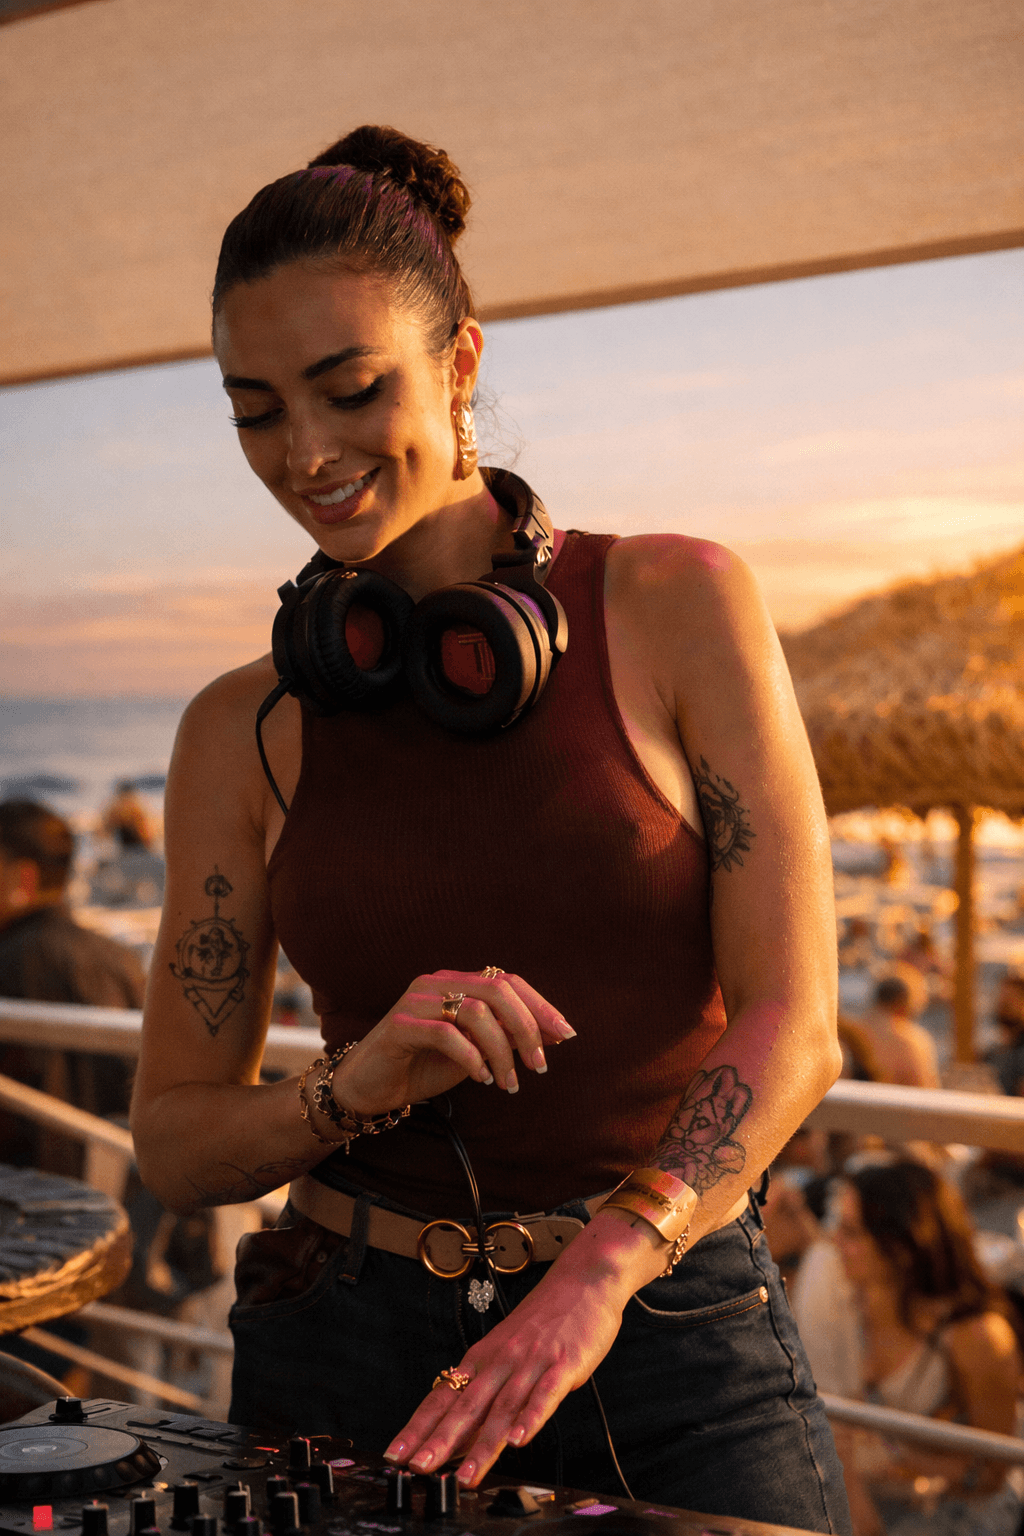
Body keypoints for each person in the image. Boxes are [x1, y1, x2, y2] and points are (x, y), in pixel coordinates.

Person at [131, 125, 850, 1529]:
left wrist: (606, 1264)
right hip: (336, 1335)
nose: (307, 454)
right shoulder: (242, 728)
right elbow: (173, 1140)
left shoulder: (677, 603)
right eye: (257, 409)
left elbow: (798, 1019)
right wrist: (357, 1087)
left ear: (460, 363)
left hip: (664, 1322)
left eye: (349, 390)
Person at [830, 1160, 1022, 1536]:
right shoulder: (852, 1306)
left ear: (899, 1246)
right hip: (875, 1500)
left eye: (851, 1232)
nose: (835, 1241)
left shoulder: (977, 1336)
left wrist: (899, 1459)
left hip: (959, 1514)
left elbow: (993, 1476)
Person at [848, 971, 940, 1090]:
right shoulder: (912, 1041)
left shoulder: (850, 1031)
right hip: (892, 1106)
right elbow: (928, 1091)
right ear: (905, 1001)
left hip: (850, 1103)